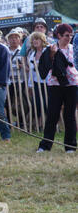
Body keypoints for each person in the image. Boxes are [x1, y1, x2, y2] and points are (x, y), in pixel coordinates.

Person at [37, 24, 77, 153]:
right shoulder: (50, 49)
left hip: (72, 85)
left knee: (69, 116)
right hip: (55, 85)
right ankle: (45, 145)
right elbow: (44, 67)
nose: (69, 38)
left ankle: (70, 146)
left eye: (71, 35)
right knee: (52, 115)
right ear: (59, 35)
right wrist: (52, 55)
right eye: (66, 35)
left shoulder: (74, 48)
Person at [5, 28, 28, 128]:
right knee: (7, 102)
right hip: (8, 82)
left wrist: (23, 66)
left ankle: (21, 122)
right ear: (8, 40)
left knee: (21, 102)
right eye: (11, 38)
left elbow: (28, 67)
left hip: (20, 81)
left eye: (16, 37)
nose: (13, 40)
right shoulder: (5, 51)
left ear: (19, 39)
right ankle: (9, 122)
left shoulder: (22, 52)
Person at [27, 32, 48, 128]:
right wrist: (30, 85)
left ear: (42, 40)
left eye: (37, 39)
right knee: (38, 104)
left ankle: (49, 124)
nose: (35, 41)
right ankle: (39, 123)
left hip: (47, 82)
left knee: (47, 103)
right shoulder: (32, 54)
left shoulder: (47, 52)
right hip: (36, 82)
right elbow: (31, 72)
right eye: (34, 39)